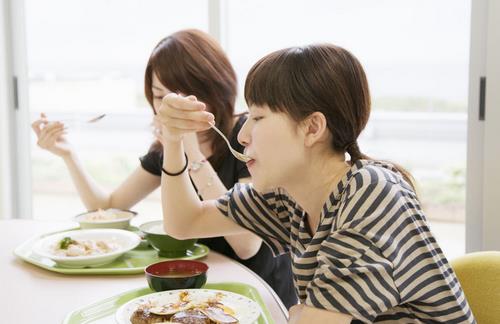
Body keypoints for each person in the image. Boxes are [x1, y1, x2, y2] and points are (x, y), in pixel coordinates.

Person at [155, 44, 476, 323]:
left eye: (258, 117)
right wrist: (173, 139)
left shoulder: (370, 194)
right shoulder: (289, 193)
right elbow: (184, 222)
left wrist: (303, 314)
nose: (242, 135)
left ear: (312, 128)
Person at [31, 29, 297, 309]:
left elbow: (246, 245)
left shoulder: (246, 135)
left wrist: (191, 151)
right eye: (159, 96)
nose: (168, 106)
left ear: (213, 88)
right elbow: (107, 207)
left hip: (261, 294)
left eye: (178, 95)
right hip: (206, 291)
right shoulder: (164, 149)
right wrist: (68, 156)